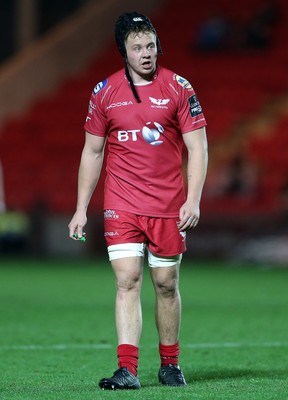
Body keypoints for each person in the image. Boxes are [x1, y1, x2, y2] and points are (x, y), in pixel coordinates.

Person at [68, 11, 208, 390]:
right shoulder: (104, 93)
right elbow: (92, 152)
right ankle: (127, 369)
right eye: (137, 47)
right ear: (123, 51)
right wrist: (81, 207)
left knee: (165, 282)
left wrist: (193, 200)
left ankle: (170, 363)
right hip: (122, 202)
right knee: (127, 280)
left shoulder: (179, 87)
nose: (146, 53)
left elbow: (198, 146)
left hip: (167, 205)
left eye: (150, 45)